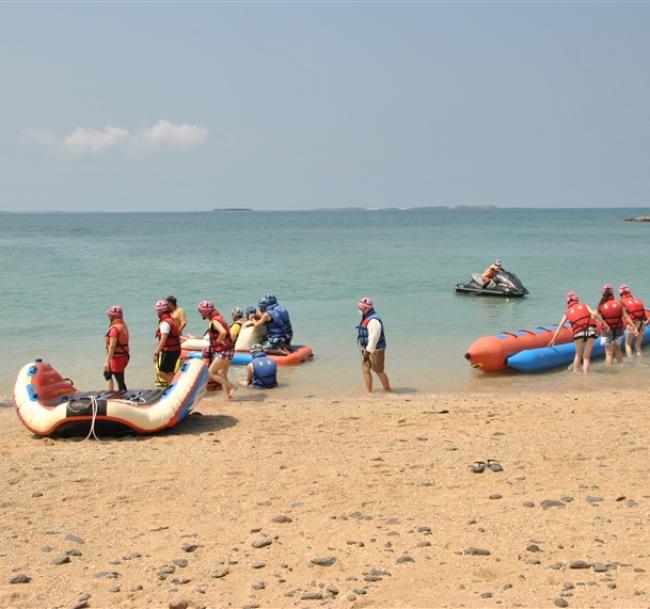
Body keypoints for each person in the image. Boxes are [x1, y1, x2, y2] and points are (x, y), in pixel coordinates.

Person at [548, 291, 609, 374]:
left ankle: (575, 374)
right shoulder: (585, 306)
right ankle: (586, 376)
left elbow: (560, 326)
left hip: (578, 333)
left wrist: (553, 339)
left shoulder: (567, 312)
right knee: (586, 357)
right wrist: (604, 324)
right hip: (591, 331)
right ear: (577, 299)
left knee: (578, 354)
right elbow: (595, 315)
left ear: (567, 303)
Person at [198, 300, 237, 399]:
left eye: (201, 311)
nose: (200, 313)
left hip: (224, 351)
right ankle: (229, 396)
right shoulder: (219, 317)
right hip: (229, 349)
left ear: (206, 312)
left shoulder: (214, 321)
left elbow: (223, 332)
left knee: (211, 372)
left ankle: (232, 387)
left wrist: (219, 341)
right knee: (222, 374)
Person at [356, 297, 391, 392]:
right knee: (365, 370)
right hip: (366, 349)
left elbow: (373, 338)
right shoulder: (366, 317)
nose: (359, 310)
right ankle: (369, 392)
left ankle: (388, 391)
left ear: (365, 309)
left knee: (379, 371)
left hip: (376, 350)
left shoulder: (373, 321)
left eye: (360, 309)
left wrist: (367, 351)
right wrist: (365, 350)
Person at [598, 284, 637, 365]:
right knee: (618, 350)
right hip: (619, 330)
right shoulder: (619, 303)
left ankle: (609, 373)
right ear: (612, 293)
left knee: (609, 354)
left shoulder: (601, 305)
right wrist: (634, 327)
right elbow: (626, 316)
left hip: (607, 331)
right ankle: (621, 368)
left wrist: (604, 323)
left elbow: (594, 316)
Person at [153, 299, 181, 387]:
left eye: (157, 310)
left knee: (162, 373)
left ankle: (178, 386)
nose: (156, 312)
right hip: (175, 349)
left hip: (170, 351)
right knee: (169, 372)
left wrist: (156, 352)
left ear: (160, 311)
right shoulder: (171, 319)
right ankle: (173, 389)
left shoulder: (165, 323)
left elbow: (163, 339)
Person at [104, 305, 129, 391]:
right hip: (123, 356)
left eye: (109, 315)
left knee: (120, 381)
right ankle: (110, 392)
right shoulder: (122, 325)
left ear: (112, 316)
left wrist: (107, 362)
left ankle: (124, 396)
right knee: (107, 374)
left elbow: (112, 346)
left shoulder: (114, 330)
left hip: (117, 359)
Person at [619, 284, 648, 357]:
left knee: (628, 344)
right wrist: (646, 322)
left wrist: (634, 327)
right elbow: (644, 313)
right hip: (642, 323)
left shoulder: (621, 302)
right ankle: (641, 360)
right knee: (638, 346)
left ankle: (630, 362)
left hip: (633, 324)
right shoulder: (638, 300)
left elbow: (625, 316)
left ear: (621, 294)